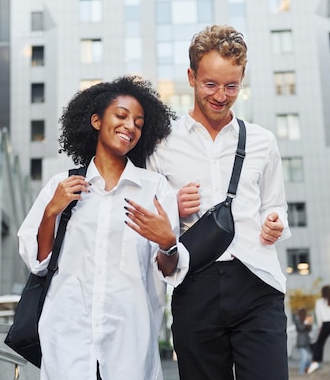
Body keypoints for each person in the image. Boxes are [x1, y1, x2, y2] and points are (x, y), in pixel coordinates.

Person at [17, 75, 190, 380]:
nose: (130, 126)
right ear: (96, 121)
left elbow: (167, 269)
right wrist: (50, 213)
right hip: (69, 337)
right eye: (121, 116)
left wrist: (168, 243)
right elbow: (39, 262)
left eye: (138, 122)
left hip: (129, 341)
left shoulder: (155, 190)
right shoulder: (61, 186)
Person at [147, 24, 292, 379]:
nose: (221, 96)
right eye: (210, 84)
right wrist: (172, 206)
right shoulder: (161, 145)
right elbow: (148, 221)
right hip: (194, 285)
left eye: (232, 86)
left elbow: (275, 204)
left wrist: (275, 223)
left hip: (258, 282)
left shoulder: (262, 141)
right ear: (191, 77)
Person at [307, 285, 330, 375]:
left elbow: (319, 315)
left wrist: (320, 326)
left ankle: (315, 362)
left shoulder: (319, 302)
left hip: (326, 324)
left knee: (320, 343)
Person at [293, 307, 313, 375]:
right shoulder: (298, 319)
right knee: (304, 358)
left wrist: (309, 323)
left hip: (307, 341)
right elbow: (300, 328)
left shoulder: (305, 320)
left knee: (310, 358)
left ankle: (305, 370)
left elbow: (309, 329)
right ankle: (301, 373)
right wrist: (306, 322)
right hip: (301, 342)